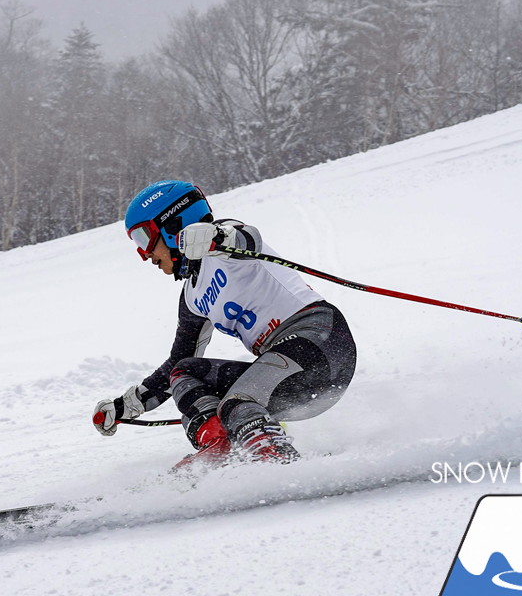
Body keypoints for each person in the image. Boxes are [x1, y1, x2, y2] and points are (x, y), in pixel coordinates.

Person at [93, 180, 357, 466]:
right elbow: (177, 362)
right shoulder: (192, 296)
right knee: (184, 373)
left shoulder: (222, 244)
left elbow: (246, 237)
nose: (145, 256)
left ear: (171, 226)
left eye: (144, 240)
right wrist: (126, 405)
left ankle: (276, 460)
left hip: (320, 340)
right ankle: (220, 448)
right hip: (289, 379)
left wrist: (215, 236)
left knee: (237, 402)